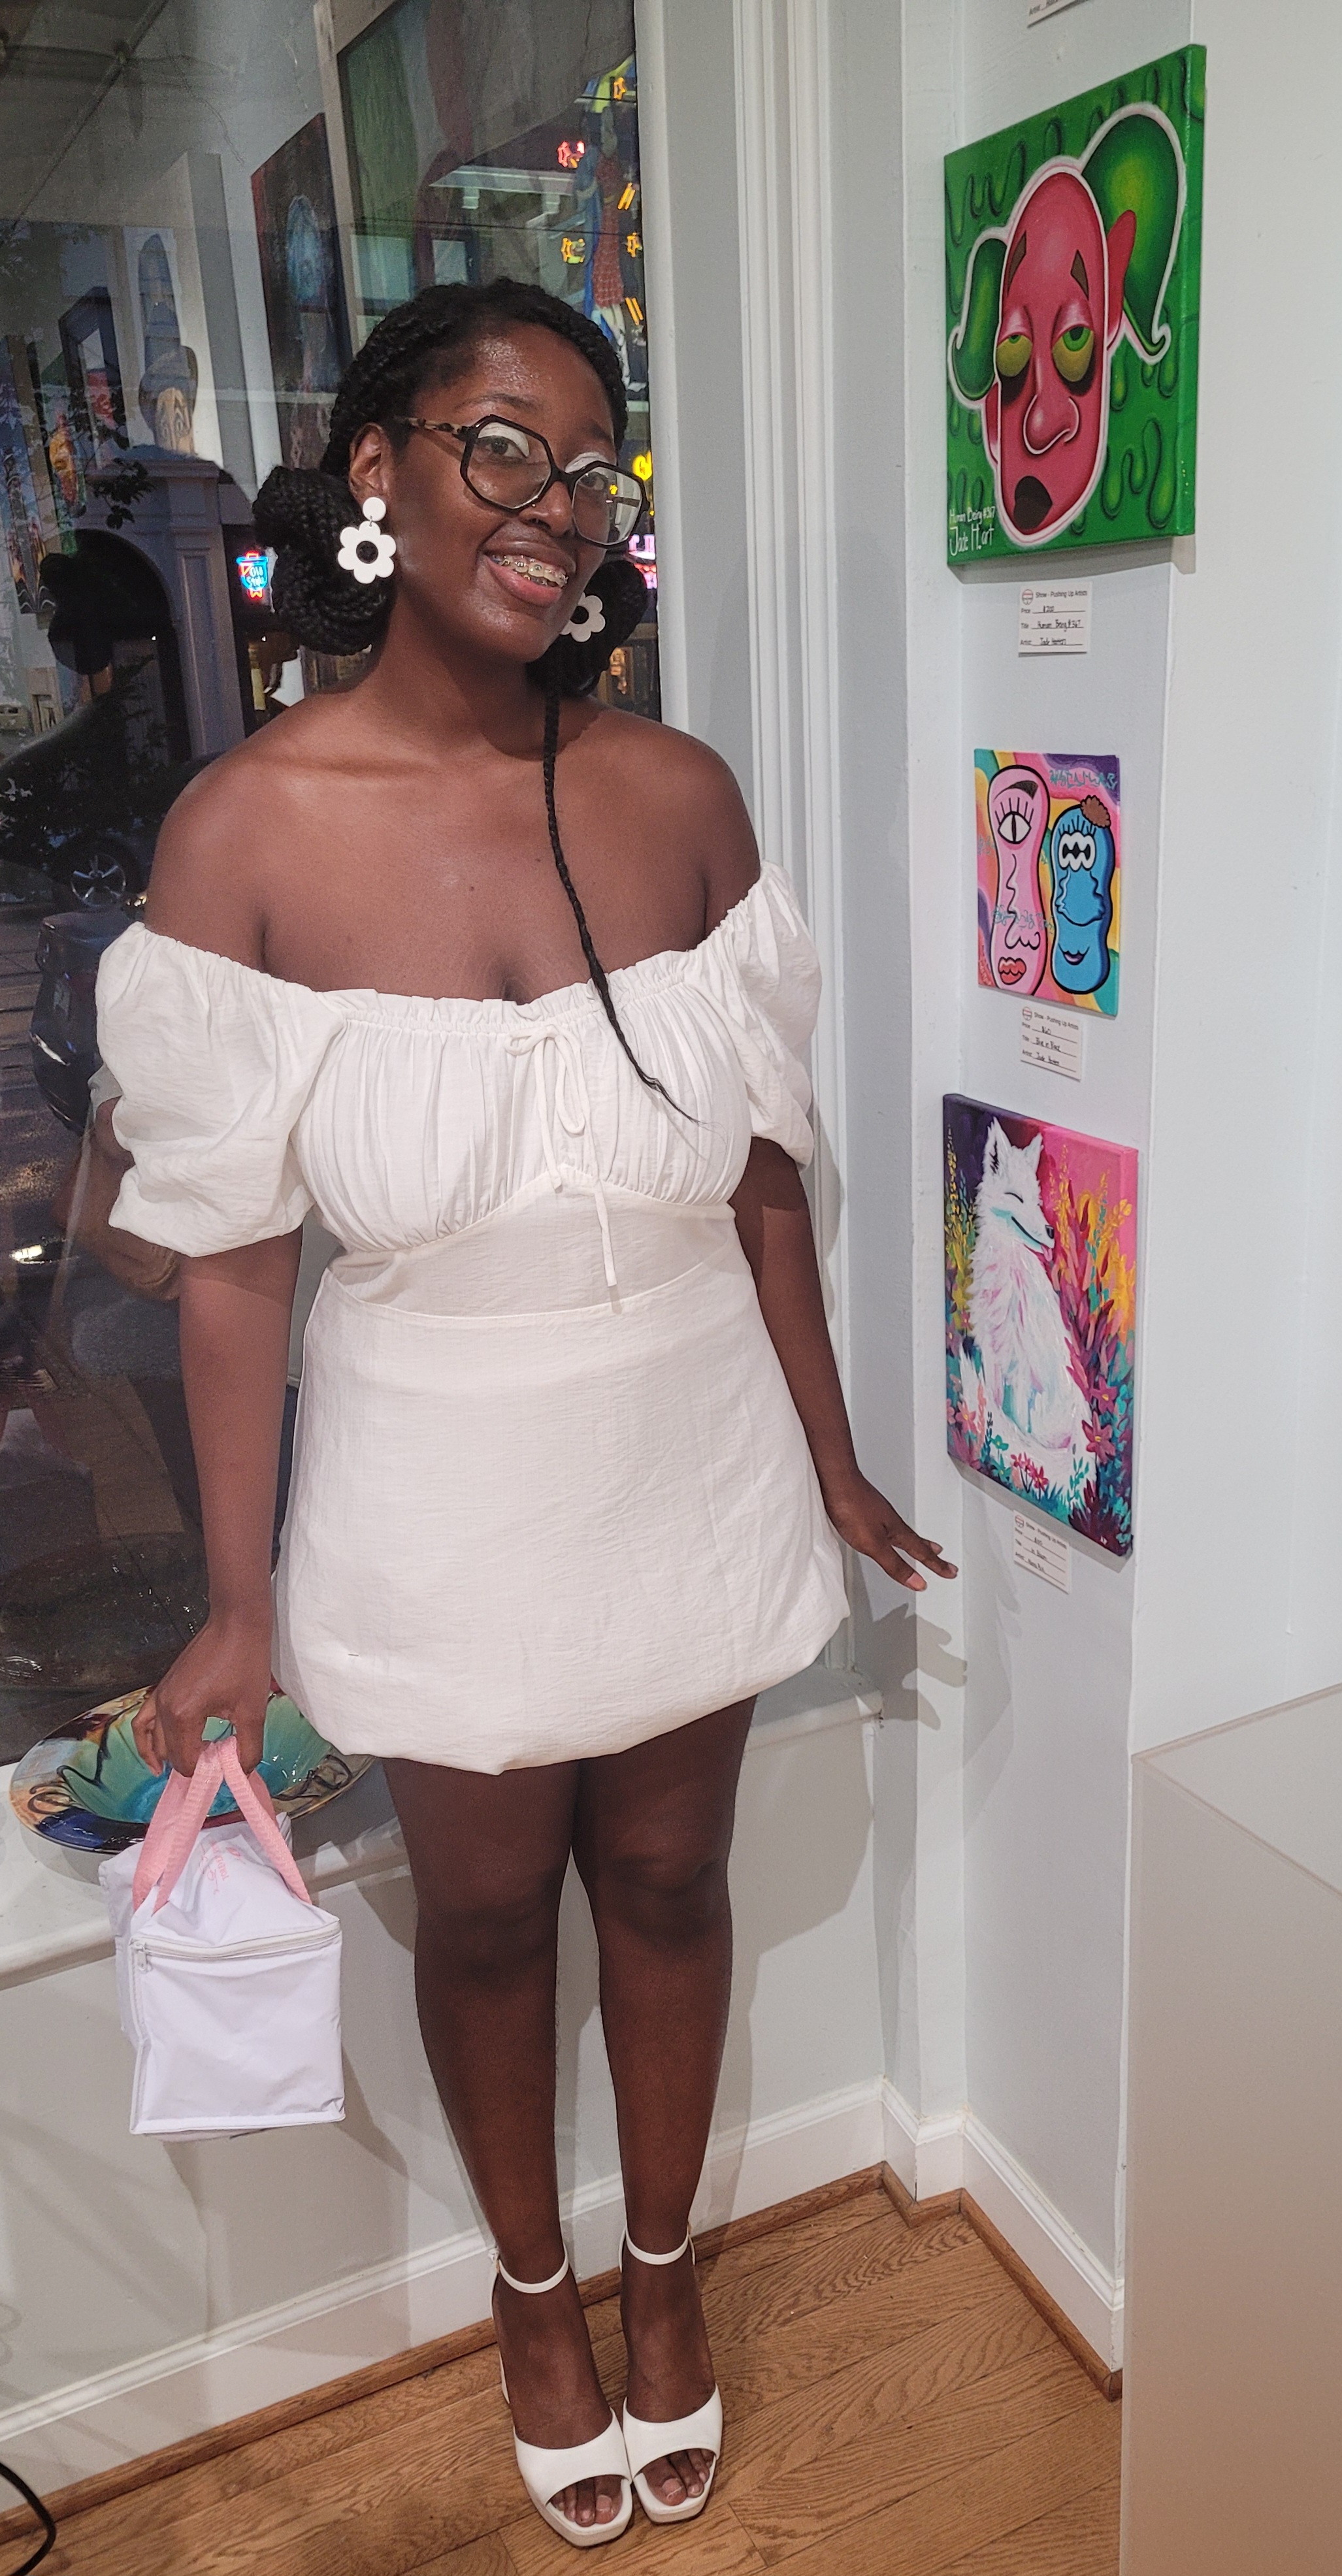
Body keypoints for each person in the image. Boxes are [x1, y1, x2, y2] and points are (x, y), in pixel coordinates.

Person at [95, 279, 955, 2548]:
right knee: (484, 1923)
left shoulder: (676, 799)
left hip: (688, 1443)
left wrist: (829, 1452)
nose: (554, 508)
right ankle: (533, 2294)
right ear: (376, 466)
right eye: (502, 446)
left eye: (588, 469)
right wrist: (236, 1604)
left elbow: (763, 1178)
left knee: (668, 1871)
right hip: (435, 1484)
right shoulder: (245, 834)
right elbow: (233, 1271)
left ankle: (665, 2273)